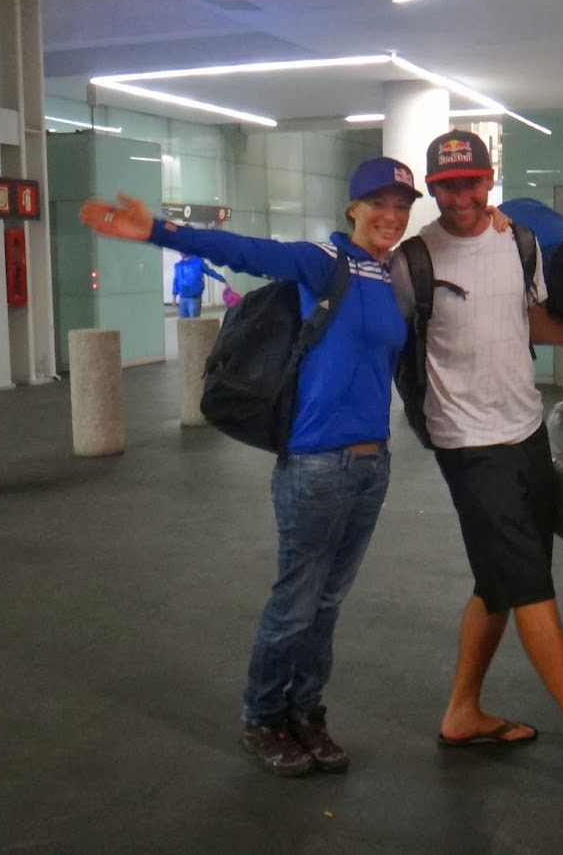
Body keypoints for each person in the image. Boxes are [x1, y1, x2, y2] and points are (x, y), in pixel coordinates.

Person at [78, 157, 421, 778]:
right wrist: (158, 231)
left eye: (402, 207)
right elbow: (246, 251)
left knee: (328, 603)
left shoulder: (391, 275)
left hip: (373, 465)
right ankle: (263, 717)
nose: (391, 217)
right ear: (354, 208)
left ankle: (306, 712)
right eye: (380, 204)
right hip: (317, 465)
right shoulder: (323, 261)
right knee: (297, 602)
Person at [394, 129, 563, 785]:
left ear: (489, 179)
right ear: (432, 189)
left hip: (525, 431)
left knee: (500, 581)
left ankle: (462, 712)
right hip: (468, 445)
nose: (460, 198)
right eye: (446, 187)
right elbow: (382, 335)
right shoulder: (414, 261)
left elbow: (530, 320)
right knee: (528, 583)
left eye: (470, 183)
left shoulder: (519, 242)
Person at [172, 252, 228, 318]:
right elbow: (176, 280)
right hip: (182, 298)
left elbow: (209, 272)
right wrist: (174, 295)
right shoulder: (178, 265)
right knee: (183, 321)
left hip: (194, 298)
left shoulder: (198, 262)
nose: (181, 252)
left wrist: (223, 280)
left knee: (194, 321)